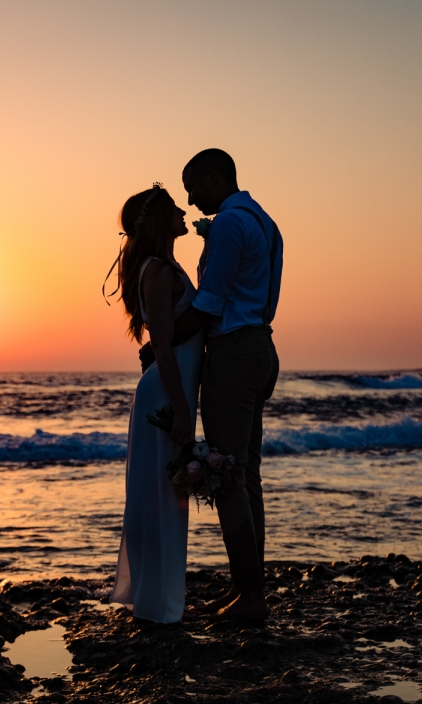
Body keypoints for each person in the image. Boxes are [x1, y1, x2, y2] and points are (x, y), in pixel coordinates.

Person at [144, 149, 283, 622]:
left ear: (213, 175)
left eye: (192, 187)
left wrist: (159, 342)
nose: (189, 199)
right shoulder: (264, 220)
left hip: (234, 353)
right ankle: (249, 590)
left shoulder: (227, 224)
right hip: (262, 347)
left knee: (225, 477)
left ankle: (251, 596)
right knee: (245, 475)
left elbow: (209, 305)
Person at [108, 184, 205, 624]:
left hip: (167, 387)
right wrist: (183, 411)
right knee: (164, 497)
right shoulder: (160, 270)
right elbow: (163, 346)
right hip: (167, 392)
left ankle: (157, 599)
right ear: (158, 220)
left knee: (160, 494)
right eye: (174, 209)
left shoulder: (158, 266)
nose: (184, 213)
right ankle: (160, 606)